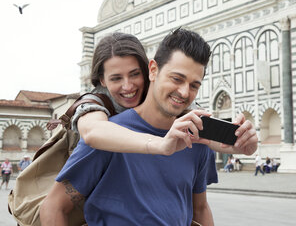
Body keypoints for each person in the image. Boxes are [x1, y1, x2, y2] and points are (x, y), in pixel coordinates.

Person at [41, 29, 220, 225]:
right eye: (176, 79)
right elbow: (53, 206)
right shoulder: (108, 135)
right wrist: (160, 145)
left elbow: (200, 209)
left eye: (194, 85)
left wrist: (227, 140)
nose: (128, 87)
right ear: (153, 70)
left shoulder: (194, 137)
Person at [69, 32, 257, 157]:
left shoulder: (167, 100)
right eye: (116, 78)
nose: (127, 86)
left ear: (149, 71)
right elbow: (93, 132)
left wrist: (238, 144)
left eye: (135, 74)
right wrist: (160, 145)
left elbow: (202, 131)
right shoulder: (96, 101)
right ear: (102, 80)